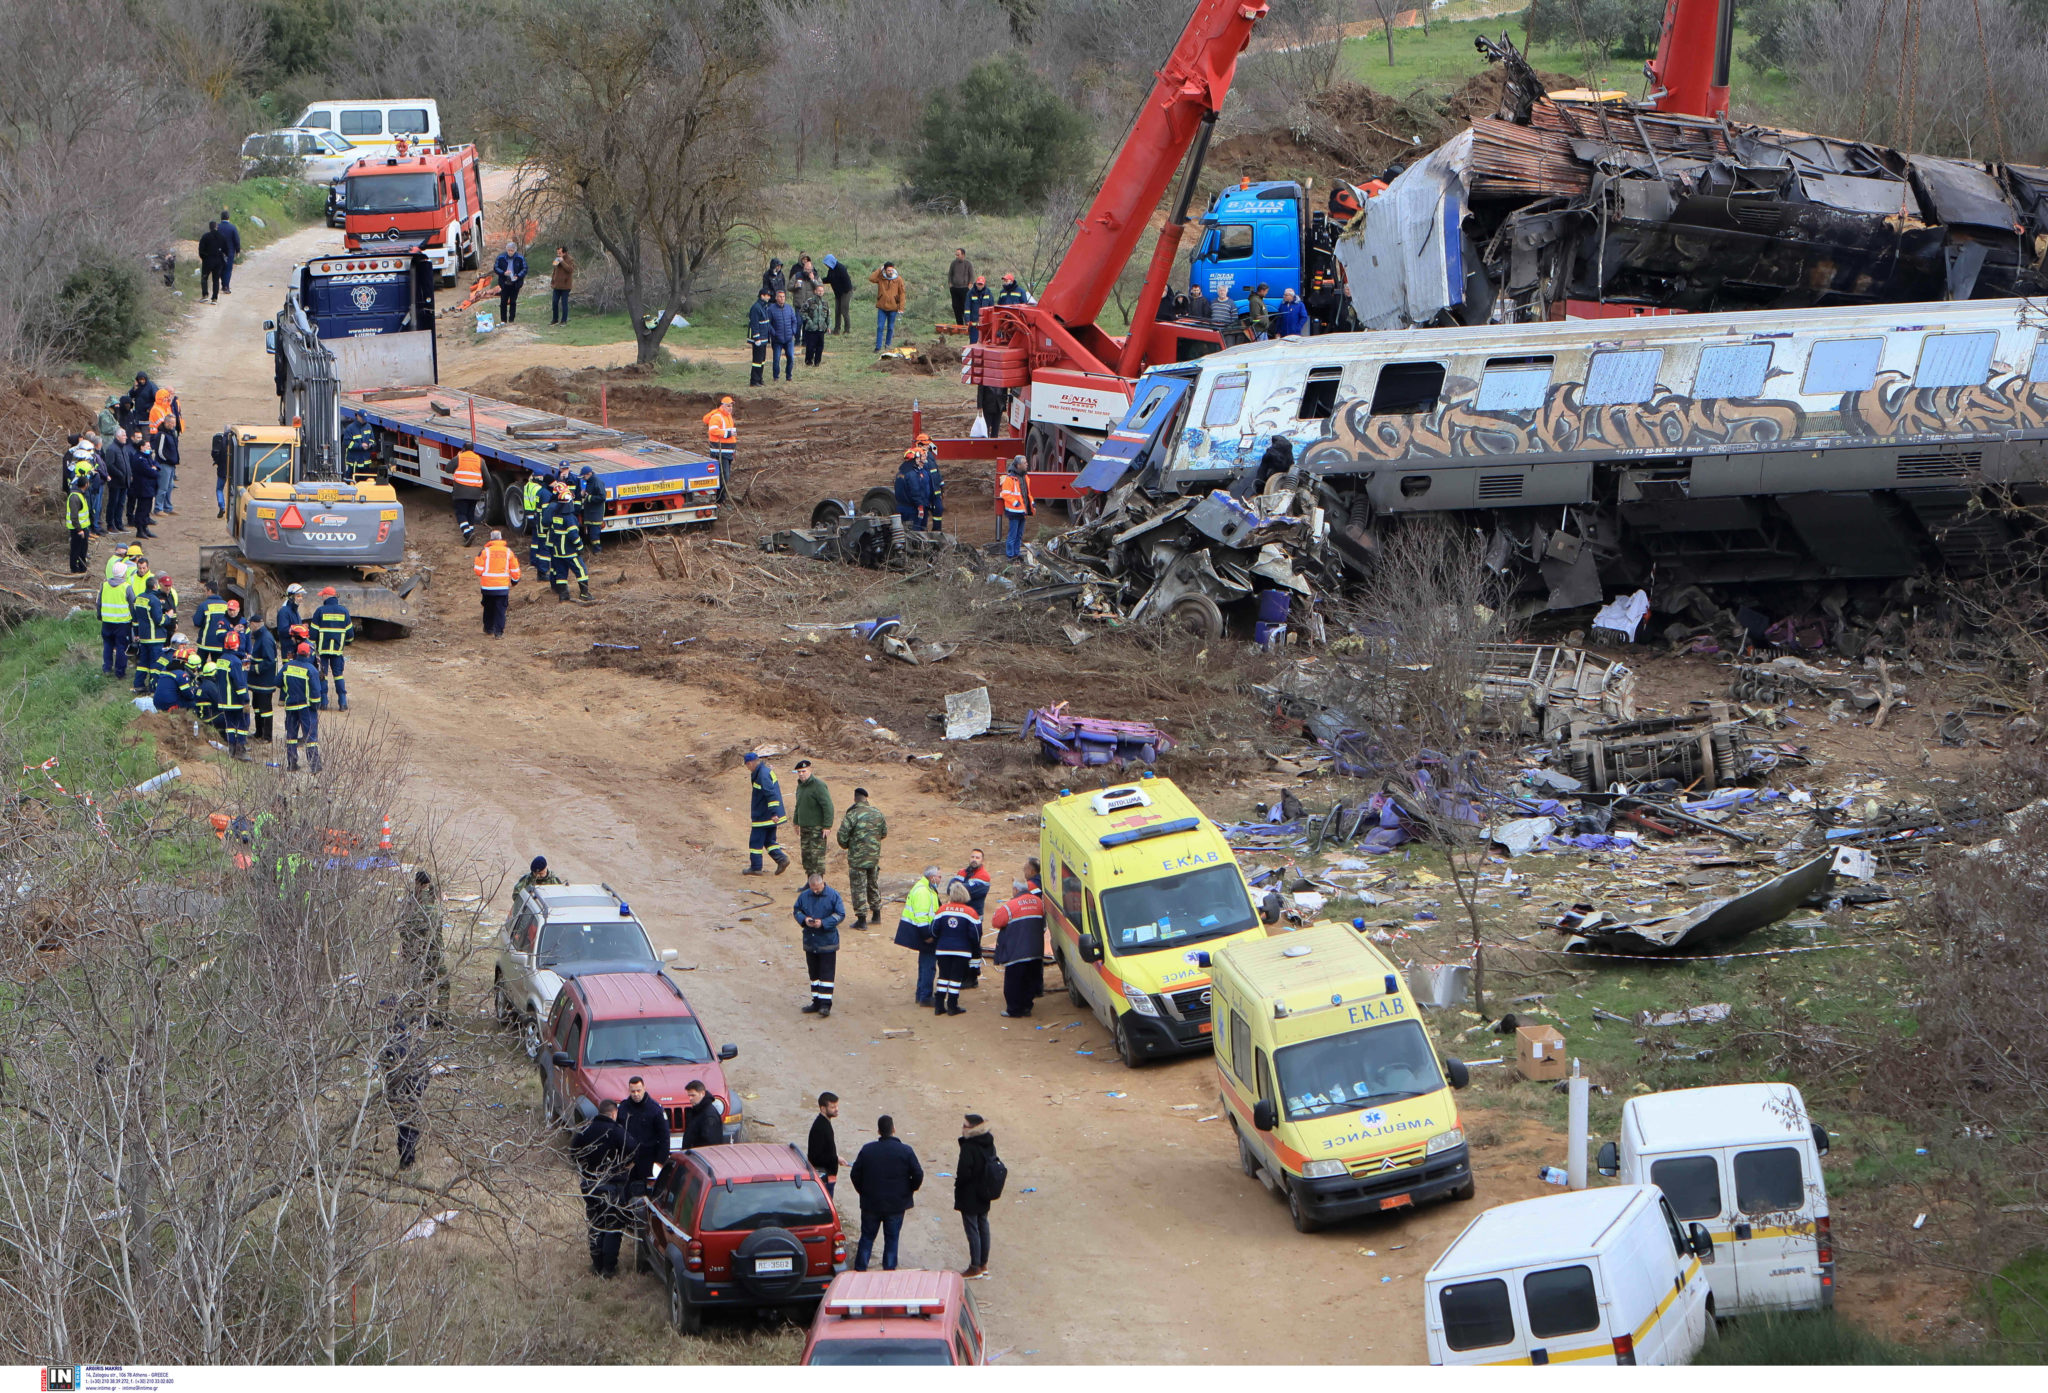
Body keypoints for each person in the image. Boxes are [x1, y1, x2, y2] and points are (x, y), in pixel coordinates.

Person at [848, 1115, 923, 1272]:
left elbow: (855, 1174)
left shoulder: (867, 1150)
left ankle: (860, 1270)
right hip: (896, 1204)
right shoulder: (905, 1151)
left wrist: (863, 1191)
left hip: (871, 1204)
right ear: (893, 1130)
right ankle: (888, 1272)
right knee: (892, 1239)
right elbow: (918, 1174)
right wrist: (909, 1190)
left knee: (867, 1238)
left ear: (878, 1131)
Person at [573, 1098, 629, 1276]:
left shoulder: (585, 1131)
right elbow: (634, 1150)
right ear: (613, 1113)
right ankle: (609, 1268)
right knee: (612, 1226)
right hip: (612, 1185)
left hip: (590, 1185)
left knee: (596, 1224)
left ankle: (596, 1264)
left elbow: (573, 1153)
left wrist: (587, 1167)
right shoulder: (617, 1132)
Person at [991, 878, 1047, 1018]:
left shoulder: (1010, 905)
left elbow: (996, 921)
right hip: (1035, 951)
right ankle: (1027, 1007)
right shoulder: (1039, 902)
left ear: (1015, 890)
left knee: (1013, 982)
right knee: (1030, 980)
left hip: (1016, 952)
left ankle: (1014, 1010)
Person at [793, 870, 845, 1017]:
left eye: (818, 888)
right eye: (813, 888)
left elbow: (840, 914)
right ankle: (816, 1002)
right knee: (814, 974)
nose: (816, 890)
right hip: (811, 941)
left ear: (823, 883)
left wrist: (823, 923)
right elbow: (797, 911)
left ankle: (825, 1005)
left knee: (826, 975)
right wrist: (805, 920)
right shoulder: (804, 896)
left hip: (827, 943)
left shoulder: (833, 895)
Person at [836, 787, 888, 930]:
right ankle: (876, 914)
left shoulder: (852, 815)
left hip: (857, 858)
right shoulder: (877, 813)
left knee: (858, 887)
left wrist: (850, 845)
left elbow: (842, 837)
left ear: (855, 799)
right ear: (866, 798)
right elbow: (884, 833)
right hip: (873, 857)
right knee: (872, 884)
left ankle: (861, 920)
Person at [380, 1013, 428, 1169]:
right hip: (414, 1090)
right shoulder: (418, 1045)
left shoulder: (394, 1045)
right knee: (410, 1124)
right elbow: (426, 1072)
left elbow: (385, 1067)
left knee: (404, 1124)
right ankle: (407, 1159)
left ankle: (406, 1159)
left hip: (402, 1091)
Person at [953, 1114, 998, 1278]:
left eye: (965, 1125)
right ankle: (983, 1264)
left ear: (972, 1128)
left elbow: (963, 1172)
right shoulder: (988, 1142)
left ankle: (975, 1267)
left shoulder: (969, 1147)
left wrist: (958, 1186)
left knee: (972, 1229)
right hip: (984, 1191)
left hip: (970, 1193)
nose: (962, 1128)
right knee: (983, 1226)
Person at [399, 870, 448, 1012]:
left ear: (417, 883)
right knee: (440, 981)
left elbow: (404, 927)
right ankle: (440, 1013)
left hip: (421, 949)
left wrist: (407, 947)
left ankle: (421, 1010)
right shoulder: (430, 901)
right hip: (433, 948)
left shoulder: (415, 901)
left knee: (423, 981)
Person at [930, 882, 982, 1017]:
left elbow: (933, 930)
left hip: (943, 949)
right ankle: (952, 1006)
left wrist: (941, 940)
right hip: (962, 951)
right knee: (956, 978)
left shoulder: (942, 910)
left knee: (943, 976)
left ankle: (939, 1006)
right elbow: (976, 934)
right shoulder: (971, 912)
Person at [894, 865, 942, 1005]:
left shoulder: (926, 888)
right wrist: (927, 935)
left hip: (922, 931)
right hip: (924, 933)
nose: (940, 879)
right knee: (928, 965)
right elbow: (922, 916)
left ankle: (921, 994)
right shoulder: (923, 891)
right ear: (932, 877)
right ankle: (925, 996)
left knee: (924, 964)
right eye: (939, 877)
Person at [742, 751, 790, 875]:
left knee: (755, 842)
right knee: (769, 840)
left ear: (751, 763)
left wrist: (774, 813)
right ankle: (781, 859)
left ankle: (756, 867)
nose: (748, 768)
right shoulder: (764, 771)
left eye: (747, 765)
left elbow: (770, 793)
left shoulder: (762, 774)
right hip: (769, 815)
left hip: (764, 815)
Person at [281, 640, 324, 772]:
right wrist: (315, 706)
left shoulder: (287, 666)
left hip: (291, 707)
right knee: (311, 736)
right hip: (306, 708)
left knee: (291, 736)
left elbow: (277, 681)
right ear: (308, 654)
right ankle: (314, 765)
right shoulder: (311, 670)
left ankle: (292, 763)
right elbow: (316, 692)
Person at [545, 484, 591, 602]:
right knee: (581, 570)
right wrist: (580, 546)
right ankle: (585, 594)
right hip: (569, 551)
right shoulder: (569, 518)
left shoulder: (556, 516)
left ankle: (563, 596)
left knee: (561, 573)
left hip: (558, 552)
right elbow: (573, 535)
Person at [310, 586, 352, 710]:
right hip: (337, 651)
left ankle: (323, 703)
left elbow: (313, 633)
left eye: (322, 595)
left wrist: (312, 647)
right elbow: (350, 634)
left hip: (322, 651)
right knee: (338, 675)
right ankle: (343, 703)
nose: (321, 597)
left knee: (322, 675)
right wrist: (346, 642)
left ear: (326, 596)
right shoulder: (344, 611)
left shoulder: (320, 611)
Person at [473, 529, 521, 638]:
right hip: (502, 588)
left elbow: (478, 570)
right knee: (500, 610)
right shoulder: (508, 552)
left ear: (491, 539)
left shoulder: (485, 552)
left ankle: (488, 628)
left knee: (488, 607)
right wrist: (514, 581)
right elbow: (515, 569)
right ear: (500, 539)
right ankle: (498, 632)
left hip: (487, 587)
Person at [791, 759, 834, 878]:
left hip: (817, 828)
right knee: (807, 856)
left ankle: (819, 883)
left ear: (810, 770)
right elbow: (798, 805)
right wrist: (796, 822)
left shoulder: (818, 786)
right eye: (799, 772)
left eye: (803, 771)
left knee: (817, 858)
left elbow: (828, 806)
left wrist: (827, 826)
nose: (801, 774)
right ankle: (810, 881)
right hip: (804, 827)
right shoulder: (800, 787)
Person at [127, 576, 166, 694]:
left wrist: (137, 634)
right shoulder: (154, 600)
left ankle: (138, 685)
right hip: (155, 638)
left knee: (143, 663)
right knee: (155, 664)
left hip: (143, 638)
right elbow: (159, 620)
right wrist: (168, 616)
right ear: (155, 586)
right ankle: (154, 688)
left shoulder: (138, 598)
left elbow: (135, 620)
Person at [245, 607, 278, 742]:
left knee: (265, 709)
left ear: (254, 624)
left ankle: (267, 736)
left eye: (250, 625)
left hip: (264, 682)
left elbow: (269, 662)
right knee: (257, 707)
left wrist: (252, 668)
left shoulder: (265, 639)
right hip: (258, 683)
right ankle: (259, 732)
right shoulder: (261, 637)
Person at [220, 630, 252, 761]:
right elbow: (240, 683)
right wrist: (245, 700)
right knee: (243, 724)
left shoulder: (221, 660)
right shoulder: (235, 662)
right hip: (235, 700)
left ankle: (232, 749)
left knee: (230, 725)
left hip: (224, 700)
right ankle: (241, 750)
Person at [99, 561, 135, 678]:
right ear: (124, 574)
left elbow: (99, 603)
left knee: (108, 645)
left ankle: (107, 668)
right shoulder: (126, 587)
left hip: (107, 622)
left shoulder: (104, 585)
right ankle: (120, 672)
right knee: (121, 647)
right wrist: (134, 619)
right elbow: (132, 604)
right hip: (122, 623)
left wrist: (99, 616)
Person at [148, 389, 181, 514]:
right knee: (162, 487)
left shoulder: (170, 433)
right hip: (165, 464)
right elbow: (160, 450)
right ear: (166, 423)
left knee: (169, 486)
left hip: (171, 464)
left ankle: (168, 507)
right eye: (171, 423)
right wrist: (166, 459)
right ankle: (158, 508)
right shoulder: (161, 434)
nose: (173, 425)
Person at [808, 1092, 844, 1196]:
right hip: (824, 1178)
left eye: (836, 1106)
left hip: (828, 1177)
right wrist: (835, 1159)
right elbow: (815, 1157)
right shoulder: (820, 1128)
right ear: (823, 1108)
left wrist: (836, 1158)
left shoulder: (824, 1124)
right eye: (832, 1107)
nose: (836, 1109)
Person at [999, 455, 1034, 559]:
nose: (1027, 464)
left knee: (1018, 535)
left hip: (1022, 511)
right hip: (1014, 511)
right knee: (1013, 535)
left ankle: (1016, 553)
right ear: (1018, 465)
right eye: (1024, 463)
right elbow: (1005, 494)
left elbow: (1027, 493)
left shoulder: (1025, 477)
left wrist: (1031, 504)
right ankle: (1010, 555)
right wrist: (1016, 503)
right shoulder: (1010, 479)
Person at [450, 446, 484, 544]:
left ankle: (467, 534)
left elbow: (448, 468)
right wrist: (484, 488)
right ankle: (471, 532)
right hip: (475, 493)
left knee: (461, 513)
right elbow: (487, 477)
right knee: (470, 513)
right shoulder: (479, 459)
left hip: (460, 492)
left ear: (463, 449)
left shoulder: (459, 458)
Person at [679, 1079, 725, 1150]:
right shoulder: (697, 1111)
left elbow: (710, 1143)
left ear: (702, 1093)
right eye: (689, 1096)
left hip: (701, 1158)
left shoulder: (709, 1115)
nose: (690, 1099)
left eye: (693, 1095)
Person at [126, 437, 158, 538]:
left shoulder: (147, 456)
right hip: (142, 488)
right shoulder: (139, 459)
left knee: (147, 510)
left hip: (149, 488)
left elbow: (156, 465)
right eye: (147, 446)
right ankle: (140, 530)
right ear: (141, 447)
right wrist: (154, 470)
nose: (149, 448)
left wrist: (154, 468)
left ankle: (145, 528)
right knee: (142, 510)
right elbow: (150, 472)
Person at [869, 262, 905, 351]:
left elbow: (902, 294)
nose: (890, 272)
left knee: (890, 328)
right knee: (880, 327)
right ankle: (878, 347)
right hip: (882, 307)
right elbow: (871, 278)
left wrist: (901, 308)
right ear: (885, 270)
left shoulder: (898, 279)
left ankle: (888, 346)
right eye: (888, 270)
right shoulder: (881, 278)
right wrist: (879, 269)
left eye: (891, 270)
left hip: (893, 308)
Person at [893, 448, 931, 532]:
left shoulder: (900, 473)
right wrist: (920, 506)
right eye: (917, 459)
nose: (918, 461)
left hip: (901, 507)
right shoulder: (912, 474)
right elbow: (915, 492)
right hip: (912, 509)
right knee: (916, 532)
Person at [702, 396, 736, 490]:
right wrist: (727, 434)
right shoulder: (717, 416)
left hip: (728, 451)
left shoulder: (728, 416)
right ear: (723, 406)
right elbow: (713, 431)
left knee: (725, 477)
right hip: (720, 452)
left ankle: (721, 499)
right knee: (724, 477)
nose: (730, 408)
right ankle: (719, 500)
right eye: (728, 406)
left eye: (731, 406)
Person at [100, 428, 129, 535]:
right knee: (113, 503)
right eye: (124, 435)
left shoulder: (123, 448)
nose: (126, 437)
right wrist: (120, 474)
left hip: (124, 481)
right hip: (116, 481)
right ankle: (110, 525)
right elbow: (110, 465)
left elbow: (126, 463)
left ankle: (119, 523)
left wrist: (129, 475)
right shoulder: (112, 449)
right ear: (118, 436)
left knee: (121, 503)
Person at [766, 289, 799, 382]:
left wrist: (793, 331)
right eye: (780, 297)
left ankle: (789, 376)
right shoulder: (771, 309)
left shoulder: (789, 308)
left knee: (791, 357)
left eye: (783, 297)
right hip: (777, 340)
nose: (782, 298)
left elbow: (794, 321)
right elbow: (768, 323)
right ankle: (776, 377)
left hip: (789, 338)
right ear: (776, 298)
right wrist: (774, 333)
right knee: (776, 359)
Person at [493, 242, 527, 323]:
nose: (510, 252)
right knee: (503, 302)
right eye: (508, 250)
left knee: (513, 302)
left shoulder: (520, 258)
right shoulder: (501, 257)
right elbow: (496, 267)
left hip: (515, 283)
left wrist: (518, 276)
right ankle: (503, 320)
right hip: (504, 282)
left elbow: (525, 269)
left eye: (512, 250)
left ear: (515, 250)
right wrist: (503, 272)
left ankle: (511, 319)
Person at [746, 287, 773, 387]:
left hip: (764, 338)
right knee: (757, 360)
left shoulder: (764, 306)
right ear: (762, 296)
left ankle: (759, 379)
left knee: (762, 360)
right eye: (767, 295)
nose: (769, 297)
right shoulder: (756, 307)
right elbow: (755, 324)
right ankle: (754, 381)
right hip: (759, 339)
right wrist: (756, 338)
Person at [576, 466, 605, 555]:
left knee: (594, 534)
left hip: (595, 513)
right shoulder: (590, 482)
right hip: (590, 513)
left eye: (584, 477)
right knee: (590, 533)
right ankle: (594, 550)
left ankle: (597, 551)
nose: (583, 479)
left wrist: (589, 497)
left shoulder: (597, 482)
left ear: (589, 474)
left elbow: (602, 497)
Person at [197, 220, 227, 303]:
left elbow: (201, 250)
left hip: (208, 260)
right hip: (218, 261)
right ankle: (214, 298)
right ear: (217, 227)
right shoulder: (222, 237)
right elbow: (226, 250)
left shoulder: (205, 236)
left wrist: (204, 258)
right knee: (216, 280)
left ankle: (205, 295)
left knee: (204, 278)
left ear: (210, 227)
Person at [800, 287, 830, 368]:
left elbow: (827, 316)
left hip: (821, 329)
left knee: (820, 347)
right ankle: (808, 362)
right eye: (819, 291)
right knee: (810, 347)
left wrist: (828, 326)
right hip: (811, 329)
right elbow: (802, 312)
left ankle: (817, 363)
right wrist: (809, 321)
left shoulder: (825, 303)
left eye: (822, 291)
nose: (820, 292)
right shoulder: (809, 301)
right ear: (815, 291)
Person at [823, 254, 853, 334]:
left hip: (846, 292)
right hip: (838, 293)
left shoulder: (841, 268)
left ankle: (847, 330)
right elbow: (829, 279)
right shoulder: (831, 270)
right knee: (837, 311)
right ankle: (836, 329)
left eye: (826, 263)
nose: (826, 265)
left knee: (844, 310)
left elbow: (847, 282)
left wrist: (843, 293)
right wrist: (819, 280)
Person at [957, 848, 991, 918]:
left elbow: (963, 891)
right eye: (972, 857)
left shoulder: (984, 876)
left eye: (977, 858)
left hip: (974, 916)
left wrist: (957, 887)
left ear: (982, 860)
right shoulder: (961, 872)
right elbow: (949, 889)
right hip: (960, 914)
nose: (974, 859)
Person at [66, 482, 91, 573]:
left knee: (83, 549)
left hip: (83, 527)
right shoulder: (75, 497)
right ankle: (74, 568)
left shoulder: (80, 495)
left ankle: (82, 567)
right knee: (76, 549)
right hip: (77, 528)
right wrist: (79, 530)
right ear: (85, 484)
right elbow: (74, 516)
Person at [963, 275, 994, 345]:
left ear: (984, 284)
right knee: (973, 343)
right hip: (974, 324)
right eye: (978, 284)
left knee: (985, 343)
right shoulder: (970, 293)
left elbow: (992, 307)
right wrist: (967, 320)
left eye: (981, 284)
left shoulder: (988, 293)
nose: (979, 286)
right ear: (976, 283)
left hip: (985, 324)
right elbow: (967, 308)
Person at [947, 248, 975, 324]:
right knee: (956, 307)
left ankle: (967, 323)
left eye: (958, 254)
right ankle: (959, 324)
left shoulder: (968, 264)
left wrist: (969, 286)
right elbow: (950, 274)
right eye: (956, 254)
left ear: (963, 255)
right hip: (954, 289)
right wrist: (950, 285)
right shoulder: (953, 263)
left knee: (964, 307)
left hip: (964, 289)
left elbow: (972, 276)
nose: (956, 256)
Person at [549, 245, 576, 324]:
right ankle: (555, 319)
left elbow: (570, 270)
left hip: (565, 286)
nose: (558, 254)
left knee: (564, 303)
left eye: (560, 253)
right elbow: (555, 270)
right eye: (557, 253)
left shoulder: (570, 259)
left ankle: (564, 320)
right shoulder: (557, 258)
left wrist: (562, 262)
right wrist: (552, 280)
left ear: (564, 253)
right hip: (556, 285)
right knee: (554, 302)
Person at [216, 209, 240, 293]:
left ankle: (219, 285)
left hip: (218, 252)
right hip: (229, 252)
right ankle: (225, 286)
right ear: (228, 217)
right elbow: (236, 240)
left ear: (221, 218)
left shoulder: (217, 227)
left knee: (220, 268)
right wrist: (238, 251)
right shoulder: (233, 228)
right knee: (228, 269)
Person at [211, 426, 232, 517]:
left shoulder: (219, 440)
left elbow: (214, 454)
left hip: (222, 470)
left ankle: (222, 506)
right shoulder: (235, 440)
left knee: (219, 489)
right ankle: (231, 508)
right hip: (232, 470)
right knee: (232, 490)